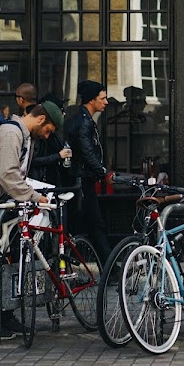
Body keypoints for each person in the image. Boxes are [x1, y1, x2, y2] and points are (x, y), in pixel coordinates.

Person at [0, 101, 64, 339]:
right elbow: (8, 174)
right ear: (41, 119)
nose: (48, 136)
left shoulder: (23, 135)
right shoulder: (11, 133)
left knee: (7, 260)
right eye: (48, 130)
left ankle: (4, 317)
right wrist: (35, 197)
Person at [64, 80, 113, 259]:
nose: (106, 102)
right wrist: (104, 173)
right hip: (82, 181)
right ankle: (111, 269)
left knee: (86, 225)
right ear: (92, 100)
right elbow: (86, 151)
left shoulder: (83, 119)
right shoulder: (84, 122)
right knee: (94, 224)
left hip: (81, 180)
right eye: (103, 98)